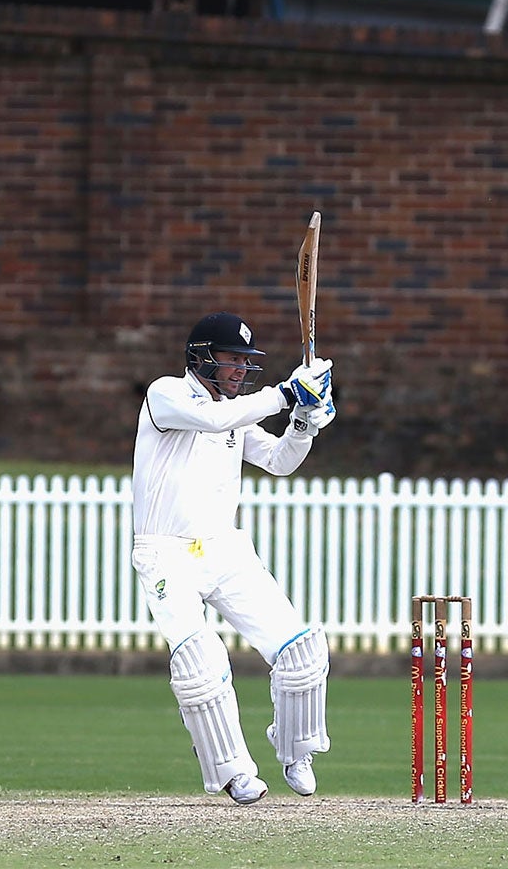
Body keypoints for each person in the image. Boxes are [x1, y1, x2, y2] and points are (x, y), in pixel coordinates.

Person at [132, 313, 337, 803]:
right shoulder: (167, 395)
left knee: (302, 652)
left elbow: (280, 461)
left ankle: (295, 748)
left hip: (224, 548)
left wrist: (304, 421)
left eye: (248, 362)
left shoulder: (237, 414)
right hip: (166, 553)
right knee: (201, 666)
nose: (242, 370)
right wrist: (289, 392)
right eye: (233, 360)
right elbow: (214, 418)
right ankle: (233, 770)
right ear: (202, 357)